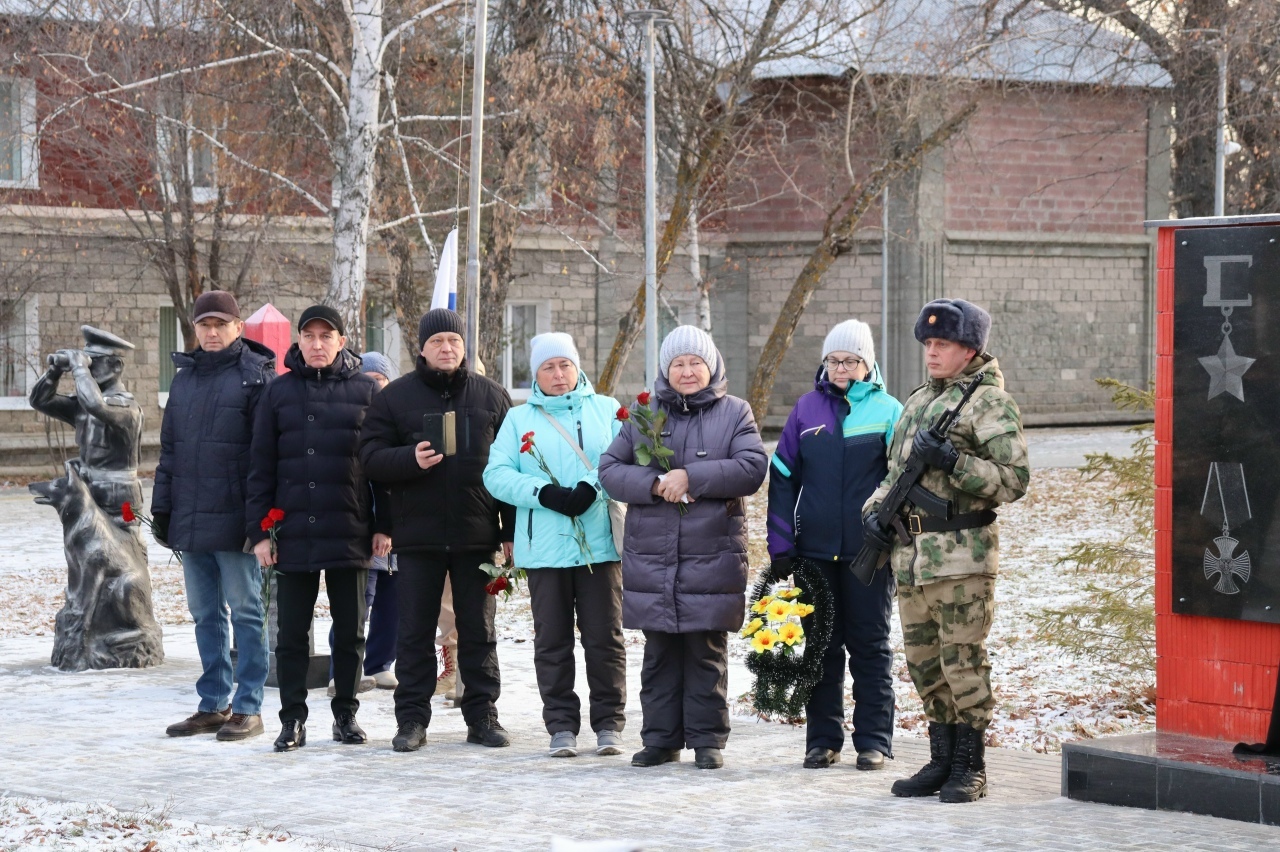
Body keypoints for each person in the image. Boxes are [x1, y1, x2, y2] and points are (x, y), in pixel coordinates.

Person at [862, 298, 1028, 803]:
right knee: (924, 663)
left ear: (970, 349)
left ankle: (970, 766)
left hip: (961, 558)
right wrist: (873, 510)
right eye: (928, 343)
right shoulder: (918, 401)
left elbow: (1014, 480)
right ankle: (940, 759)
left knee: (963, 662)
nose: (932, 352)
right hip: (910, 555)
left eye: (943, 344)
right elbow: (893, 474)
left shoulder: (989, 403)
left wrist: (955, 461)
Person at [599, 325, 767, 770]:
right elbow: (610, 469)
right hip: (653, 555)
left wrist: (691, 477)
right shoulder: (644, 414)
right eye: (678, 364)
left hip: (711, 554)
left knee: (705, 650)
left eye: (695, 362)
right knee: (659, 654)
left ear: (711, 366)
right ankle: (660, 739)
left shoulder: (735, 412)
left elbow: (752, 467)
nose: (687, 371)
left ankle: (708, 740)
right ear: (665, 370)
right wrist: (655, 483)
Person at [358, 308, 515, 753]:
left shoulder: (492, 396)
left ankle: (482, 716)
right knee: (414, 633)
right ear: (422, 349)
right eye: (437, 342)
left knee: (479, 631)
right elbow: (369, 457)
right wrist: (410, 459)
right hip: (417, 536)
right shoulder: (395, 397)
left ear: (465, 347)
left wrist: (509, 530)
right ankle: (411, 719)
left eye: (454, 341)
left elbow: (511, 468)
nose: (447, 349)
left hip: (476, 535)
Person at [246, 305, 390, 752]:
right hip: (292, 533)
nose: (317, 344)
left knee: (350, 632)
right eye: (309, 336)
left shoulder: (366, 392)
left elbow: (381, 469)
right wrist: (259, 534)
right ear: (299, 342)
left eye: (326, 336)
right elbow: (260, 468)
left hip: (349, 528)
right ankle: (292, 719)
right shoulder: (278, 392)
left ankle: (346, 714)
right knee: (290, 635)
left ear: (341, 342)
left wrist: (384, 525)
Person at [483, 332, 627, 759]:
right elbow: (496, 474)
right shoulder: (518, 419)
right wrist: (542, 492)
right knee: (552, 641)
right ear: (536, 374)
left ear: (577, 367)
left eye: (565, 364)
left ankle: (609, 723)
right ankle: (561, 724)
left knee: (604, 638)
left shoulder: (606, 409)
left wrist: (592, 486)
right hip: (543, 548)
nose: (559, 374)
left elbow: (625, 460)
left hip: (599, 545)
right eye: (549, 367)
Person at [767, 319, 903, 770]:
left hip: (870, 551)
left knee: (870, 645)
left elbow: (902, 479)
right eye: (833, 360)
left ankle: (874, 740)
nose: (841, 368)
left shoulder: (889, 411)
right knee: (820, 648)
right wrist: (781, 543)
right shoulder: (806, 410)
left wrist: (890, 533)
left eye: (850, 360)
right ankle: (822, 740)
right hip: (815, 551)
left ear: (868, 364)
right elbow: (782, 477)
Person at [153, 291, 276, 741]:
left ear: (238, 328)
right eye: (204, 324)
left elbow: (265, 456)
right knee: (205, 613)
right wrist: (162, 507)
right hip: (190, 515)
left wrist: (260, 523)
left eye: (220, 324)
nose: (211, 332)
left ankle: (248, 706)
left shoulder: (255, 377)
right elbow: (170, 451)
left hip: (236, 517)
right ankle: (214, 704)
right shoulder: (184, 379)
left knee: (246, 612)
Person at [327, 351, 400, 694]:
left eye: (380, 380)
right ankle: (342, 670)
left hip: (398, 531)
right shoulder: (348, 420)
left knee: (392, 603)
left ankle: (380, 664)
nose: (374, 387)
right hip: (360, 531)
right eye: (367, 380)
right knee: (357, 604)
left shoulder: (398, 419)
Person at [29, 325, 143, 518]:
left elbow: (97, 406)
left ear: (116, 366)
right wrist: (54, 371)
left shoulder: (127, 408)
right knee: (83, 538)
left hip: (120, 498)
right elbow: (40, 401)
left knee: (126, 536)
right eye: (87, 362)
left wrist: (80, 368)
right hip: (87, 491)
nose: (89, 367)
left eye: (94, 362)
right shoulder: (82, 405)